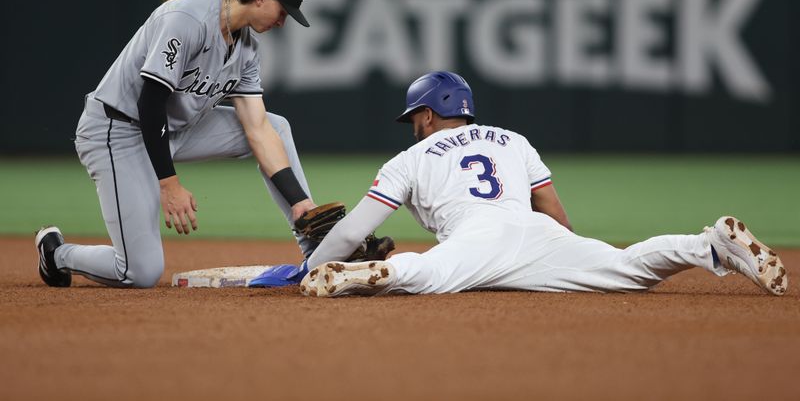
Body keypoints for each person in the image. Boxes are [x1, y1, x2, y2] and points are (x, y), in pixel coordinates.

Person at [296, 71, 788, 297]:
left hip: (476, 237)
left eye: (414, 117)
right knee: (623, 268)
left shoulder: (410, 156)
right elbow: (551, 209)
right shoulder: (513, 139)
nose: (413, 125)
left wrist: (312, 266)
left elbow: (347, 232)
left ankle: (367, 276)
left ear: (427, 113)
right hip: (535, 232)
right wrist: (571, 251)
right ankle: (710, 247)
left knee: (429, 276)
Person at [35, 0, 327, 288]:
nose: (283, 22)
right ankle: (56, 253)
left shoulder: (247, 49)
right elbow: (151, 101)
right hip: (117, 130)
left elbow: (257, 129)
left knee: (275, 127)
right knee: (138, 272)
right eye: (283, 11)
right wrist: (168, 183)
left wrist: (299, 201)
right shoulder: (186, 19)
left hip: (176, 129)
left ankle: (314, 246)